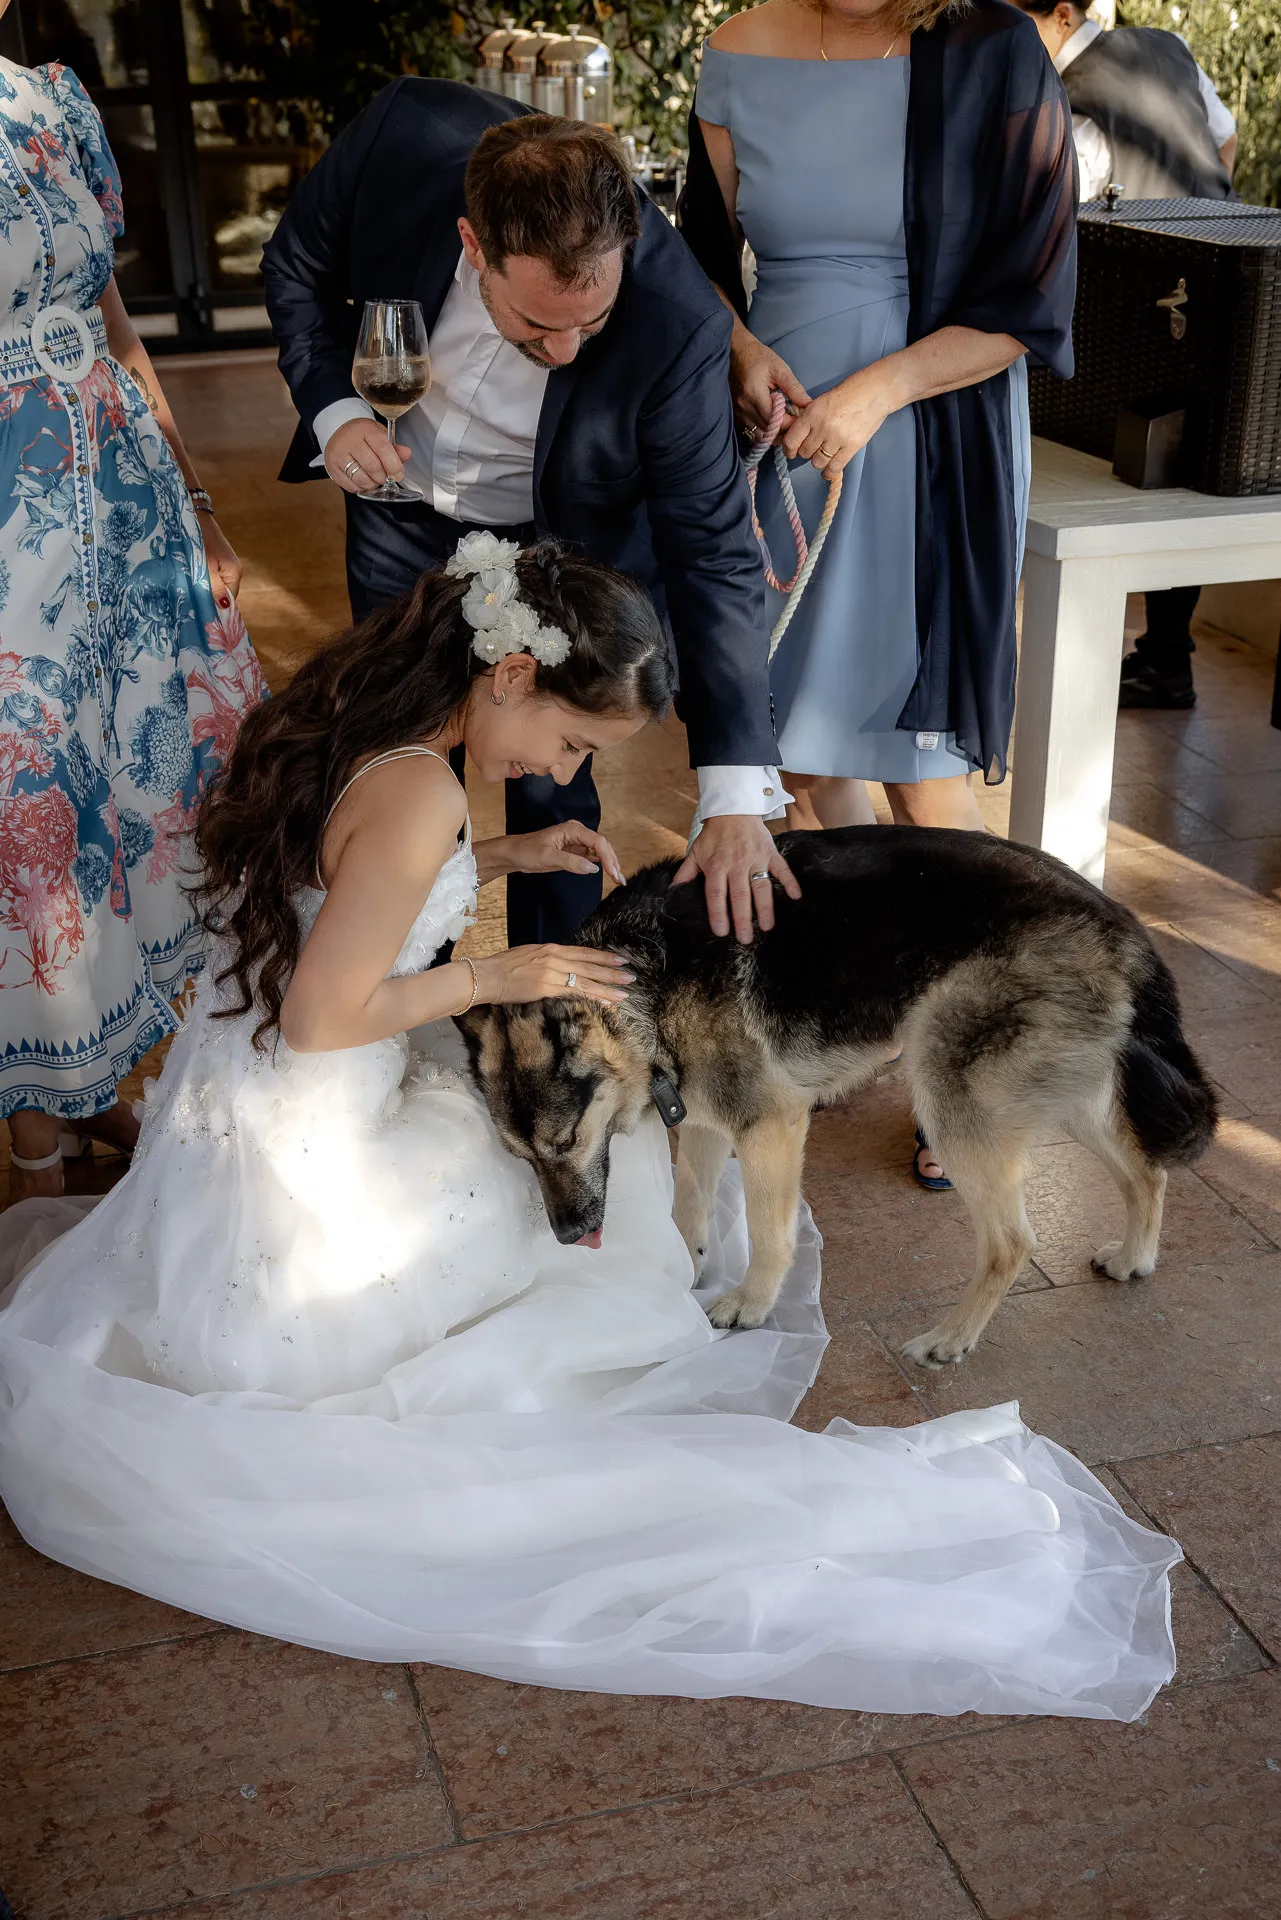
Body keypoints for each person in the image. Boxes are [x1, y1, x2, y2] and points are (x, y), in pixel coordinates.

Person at [0, 533, 1180, 1720]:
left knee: (576, 1141)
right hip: (321, 1114)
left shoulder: (372, 724)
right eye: (572, 744)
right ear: (512, 674)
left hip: (234, 1097)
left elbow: (345, 877)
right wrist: (489, 977)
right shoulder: (417, 791)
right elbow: (324, 1015)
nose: (565, 766)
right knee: (584, 1179)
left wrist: (499, 853)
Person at [676, 0, 1076, 1185]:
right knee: (795, 750)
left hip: (925, 426)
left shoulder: (990, 47)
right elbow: (697, 260)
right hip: (781, 425)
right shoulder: (737, 45)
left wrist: (874, 396)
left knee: (919, 761)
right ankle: (900, 996)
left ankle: (987, 1054)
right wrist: (743, 351)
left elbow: (1028, 299)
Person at [262, 94, 799, 952]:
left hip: (557, 541)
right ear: (474, 244)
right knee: (397, 762)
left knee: (551, 777)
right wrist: (334, 411)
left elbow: (711, 549)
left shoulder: (676, 325)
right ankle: (398, 989)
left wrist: (733, 793)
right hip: (400, 508)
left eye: (592, 321)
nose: (567, 351)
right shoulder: (401, 139)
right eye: (539, 324)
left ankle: (549, 1018)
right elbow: (294, 268)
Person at [0, 47, 265, 1206]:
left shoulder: (55, 100)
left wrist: (197, 500)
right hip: (12, 520)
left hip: (124, 500)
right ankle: (35, 1140)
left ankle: (86, 1078)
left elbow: (115, 323)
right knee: (27, 806)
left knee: (145, 785)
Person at [1016, 0, 1239, 711]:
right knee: (1183, 476)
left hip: (1142, 314)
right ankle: (1164, 659)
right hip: (1220, 292)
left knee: (1115, 491)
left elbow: (1056, 223)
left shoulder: (1069, 100)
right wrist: (1194, 215)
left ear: (1057, 13)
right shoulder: (1166, 47)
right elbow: (1225, 142)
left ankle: (1088, 665)